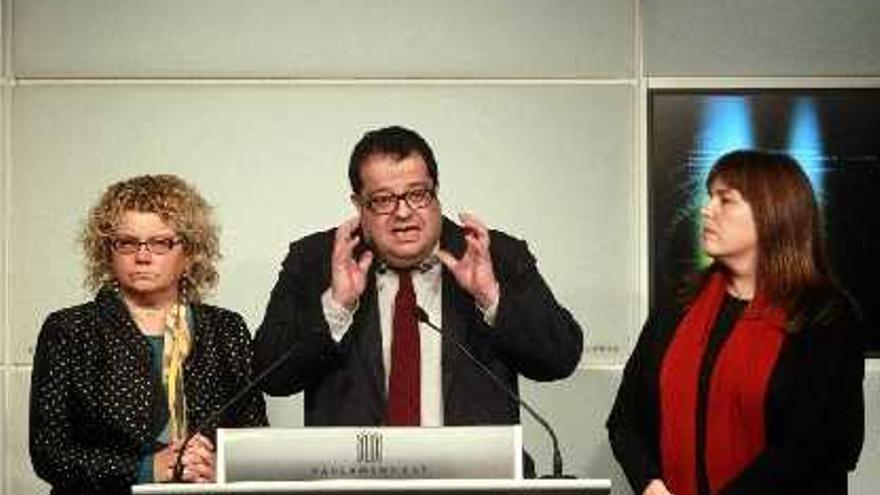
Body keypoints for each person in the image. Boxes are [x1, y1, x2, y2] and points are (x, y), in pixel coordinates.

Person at [254, 125, 583, 429]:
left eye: (417, 194)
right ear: (359, 205)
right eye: (383, 200)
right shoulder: (316, 261)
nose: (403, 212)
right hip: (354, 479)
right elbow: (272, 375)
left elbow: (559, 359)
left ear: (436, 192)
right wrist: (336, 306)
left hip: (473, 479)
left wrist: (492, 297)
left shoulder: (492, 255)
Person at [607, 150, 864, 495]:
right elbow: (625, 420)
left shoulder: (825, 316)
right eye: (710, 196)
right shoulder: (679, 304)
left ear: (772, 213)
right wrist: (651, 485)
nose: (707, 210)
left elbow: (818, 447)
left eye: (725, 200)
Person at [30, 174, 267, 494]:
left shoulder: (226, 329)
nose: (142, 256)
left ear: (190, 252)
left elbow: (254, 439)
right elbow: (49, 453)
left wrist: (219, 466)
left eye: (160, 242)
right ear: (107, 251)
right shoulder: (70, 330)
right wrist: (144, 469)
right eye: (127, 242)